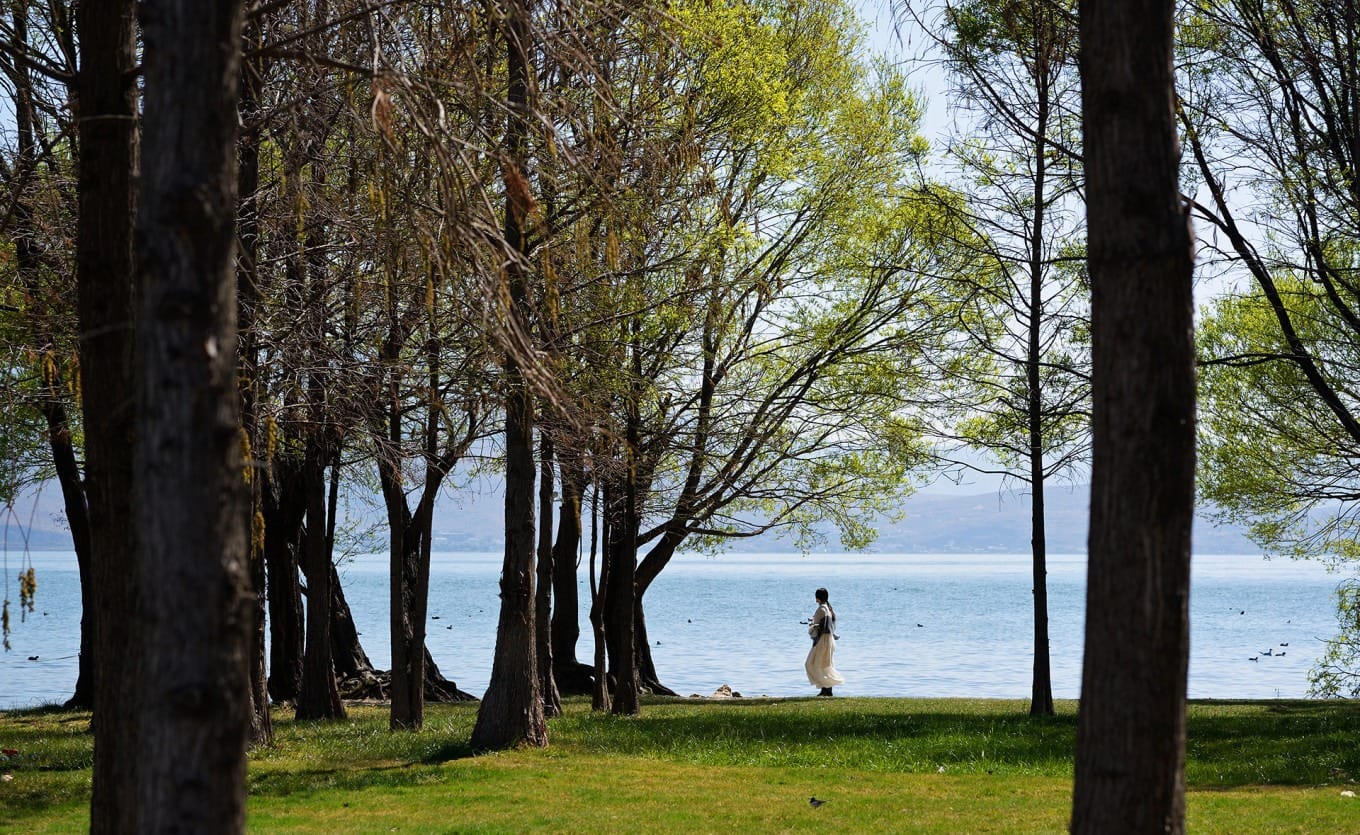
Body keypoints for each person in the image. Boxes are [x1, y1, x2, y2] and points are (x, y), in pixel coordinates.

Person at [805, 587, 844, 696]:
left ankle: (826, 687)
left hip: (822, 641)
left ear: (817, 598)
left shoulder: (821, 609)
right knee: (824, 664)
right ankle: (826, 689)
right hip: (829, 640)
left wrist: (811, 625)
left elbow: (815, 627)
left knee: (811, 664)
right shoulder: (828, 609)